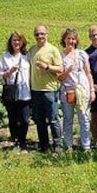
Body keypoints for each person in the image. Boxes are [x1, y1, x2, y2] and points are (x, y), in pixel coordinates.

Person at [58, 28, 95, 152]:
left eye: (73, 38)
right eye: (68, 38)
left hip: (83, 91)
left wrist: (92, 90)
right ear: (64, 40)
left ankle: (86, 146)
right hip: (67, 92)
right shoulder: (60, 56)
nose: (71, 41)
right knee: (67, 120)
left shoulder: (82, 54)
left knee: (84, 119)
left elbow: (88, 73)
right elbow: (59, 77)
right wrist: (68, 70)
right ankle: (68, 146)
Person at [28, 25, 63, 153]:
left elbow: (60, 68)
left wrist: (47, 67)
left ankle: (58, 145)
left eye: (42, 34)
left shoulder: (53, 50)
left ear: (47, 34)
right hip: (35, 89)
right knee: (39, 120)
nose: (40, 36)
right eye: (37, 34)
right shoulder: (32, 50)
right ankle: (44, 145)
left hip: (50, 89)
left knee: (53, 118)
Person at [0, 31, 32, 150]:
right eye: (14, 40)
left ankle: (22, 140)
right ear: (10, 42)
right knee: (12, 119)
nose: (16, 42)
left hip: (25, 92)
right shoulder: (5, 56)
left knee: (24, 119)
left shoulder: (27, 56)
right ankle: (16, 139)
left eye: (18, 40)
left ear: (22, 42)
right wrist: (9, 72)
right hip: (11, 92)